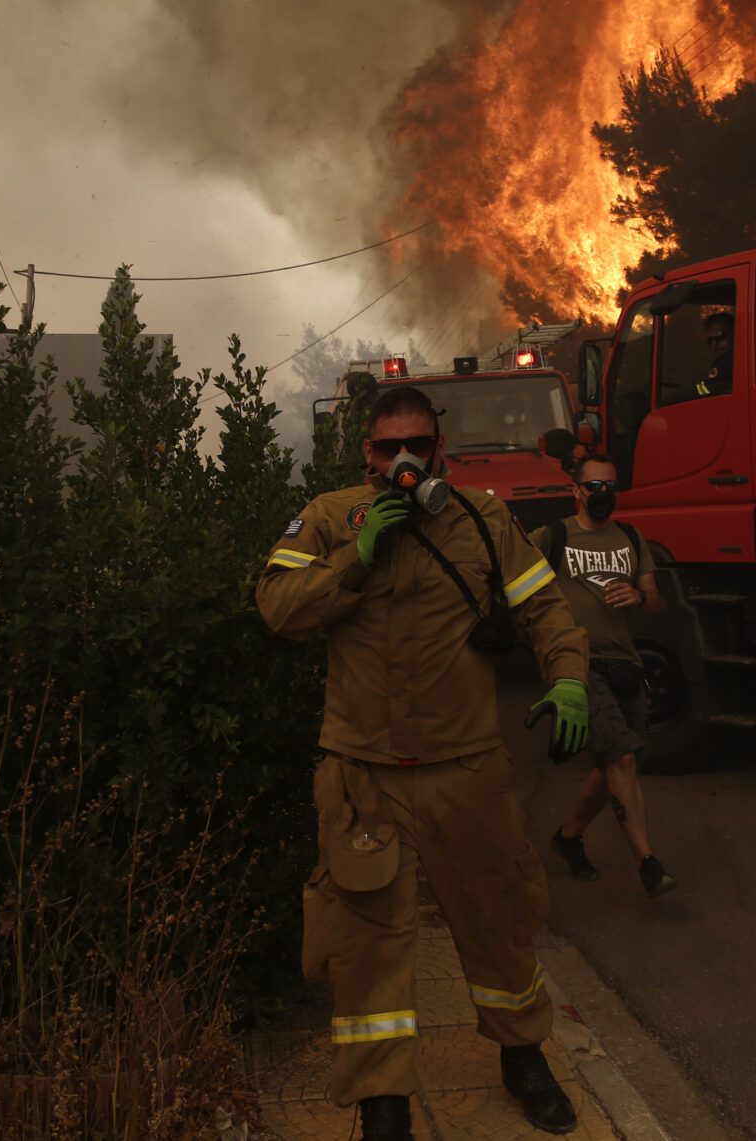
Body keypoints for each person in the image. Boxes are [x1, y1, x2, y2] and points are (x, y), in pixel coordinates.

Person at [256, 386, 593, 1141]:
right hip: (363, 774)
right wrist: (353, 557)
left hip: (465, 766)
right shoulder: (327, 516)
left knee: (498, 919)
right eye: (386, 448)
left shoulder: (481, 518)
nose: (402, 461)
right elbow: (275, 607)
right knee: (368, 945)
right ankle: (383, 1104)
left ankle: (523, 1056)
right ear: (366, 455)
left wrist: (568, 673)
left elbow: (545, 609)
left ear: (439, 450)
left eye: (417, 445)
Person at [534, 453, 678, 897]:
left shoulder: (633, 538)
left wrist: (637, 595)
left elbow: (655, 602)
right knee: (623, 760)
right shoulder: (552, 536)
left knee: (618, 760)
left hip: (625, 663)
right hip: (577, 663)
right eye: (594, 486)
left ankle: (569, 837)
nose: (603, 495)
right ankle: (647, 861)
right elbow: (520, 592)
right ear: (575, 490)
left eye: (610, 486)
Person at [694, 310, 734, 397]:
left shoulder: (727, 362)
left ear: (735, 333)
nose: (714, 344)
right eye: (710, 340)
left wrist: (691, 391)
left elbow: (708, 388)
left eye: (719, 337)